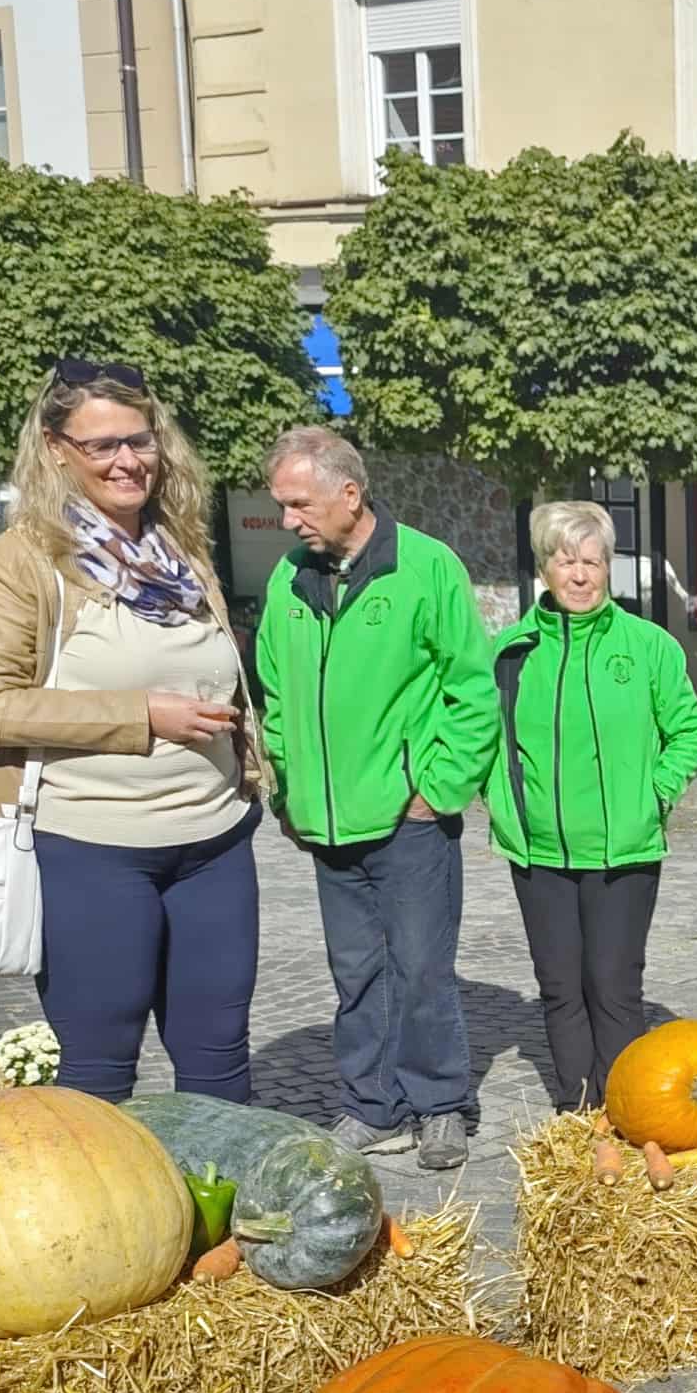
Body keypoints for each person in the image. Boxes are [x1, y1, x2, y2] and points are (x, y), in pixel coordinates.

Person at [0, 359, 263, 1102]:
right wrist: (142, 714)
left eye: (139, 441)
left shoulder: (180, 549)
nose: (126, 461)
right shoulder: (17, 565)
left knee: (220, 1060)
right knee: (99, 1071)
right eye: (101, 445)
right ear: (56, 449)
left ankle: (225, 1215)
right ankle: (113, 1214)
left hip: (213, 845)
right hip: (93, 852)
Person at [256, 428, 496, 1168]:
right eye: (283, 505)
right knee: (356, 974)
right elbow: (274, 691)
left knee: (422, 967)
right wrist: (290, 787)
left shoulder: (425, 568)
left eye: (299, 503)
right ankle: (371, 1105)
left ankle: (441, 1105)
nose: (288, 520)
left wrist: (437, 789)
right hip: (327, 824)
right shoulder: (287, 581)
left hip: (409, 821)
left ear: (349, 494)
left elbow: (474, 692)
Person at [486, 499, 697, 1107]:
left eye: (592, 561)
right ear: (544, 567)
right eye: (566, 561)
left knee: (612, 987)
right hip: (539, 853)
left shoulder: (648, 647)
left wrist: (654, 793)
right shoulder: (510, 653)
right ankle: (578, 1111)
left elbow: (692, 733)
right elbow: (483, 739)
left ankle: (624, 1108)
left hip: (623, 850)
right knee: (560, 988)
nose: (580, 575)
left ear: (609, 566)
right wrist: (500, 802)